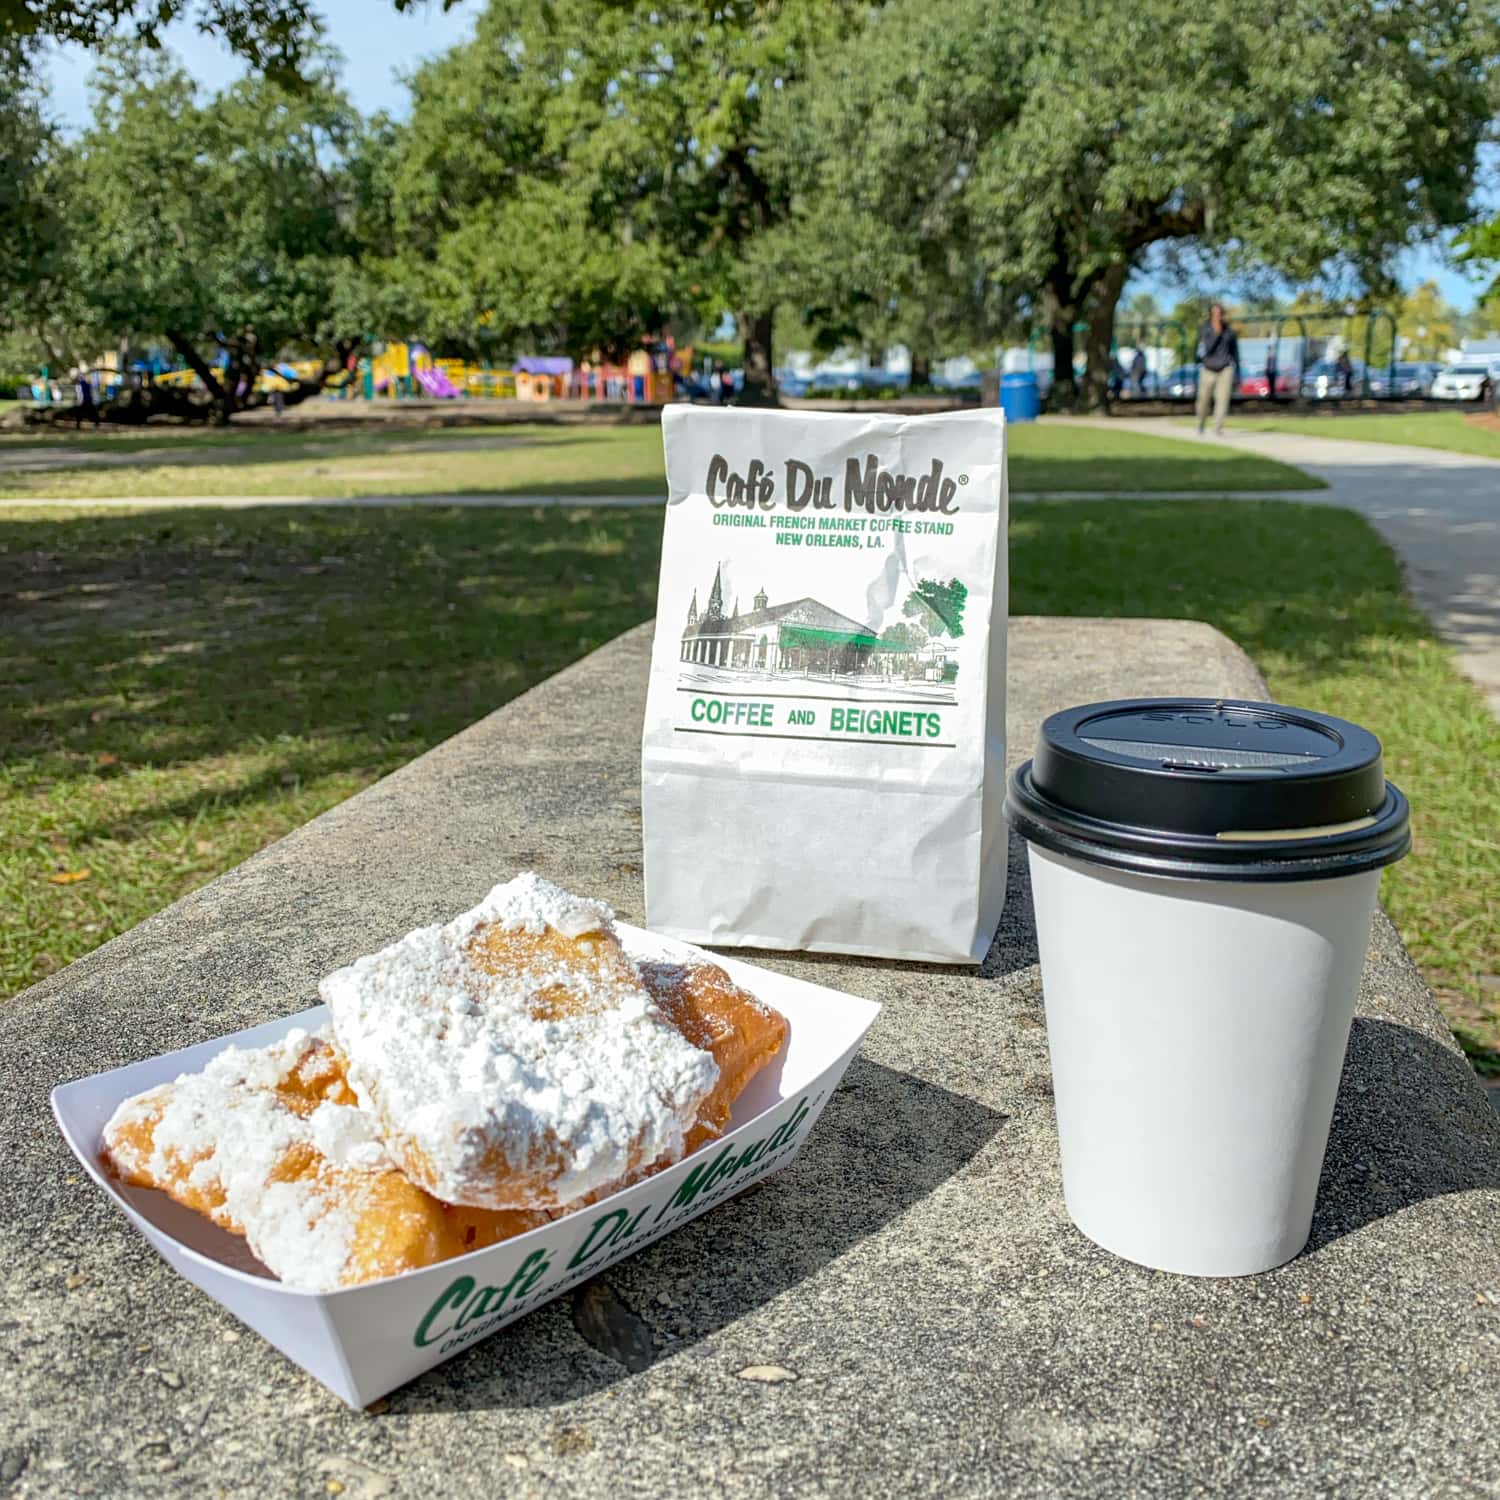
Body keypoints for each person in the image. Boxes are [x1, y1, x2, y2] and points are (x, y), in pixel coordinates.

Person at [1195, 303, 1239, 435]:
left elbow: (1235, 352)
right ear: (1211, 314)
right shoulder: (1205, 329)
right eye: (1215, 313)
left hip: (1225, 368)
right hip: (1208, 368)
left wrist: (1238, 372)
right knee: (1203, 400)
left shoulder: (1230, 331)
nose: (1217, 316)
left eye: (1219, 313)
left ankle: (1217, 428)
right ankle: (1201, 422)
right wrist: (1217, 333)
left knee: (1222, 399)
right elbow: (1208, 348)